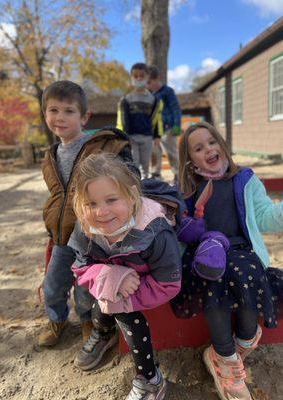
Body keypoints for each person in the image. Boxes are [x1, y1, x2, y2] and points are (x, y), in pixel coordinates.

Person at [171, 121, 283, 400]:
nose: (208, 149)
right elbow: (178, 231)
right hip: (205, 256)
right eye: (198, 148)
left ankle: (240, 343)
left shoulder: (244, 179)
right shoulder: (186, 188)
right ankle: (225, 359)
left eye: (212, 142)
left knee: (246, 272)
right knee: (215, 277)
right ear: (189, 159)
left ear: (222, 144)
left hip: (243, 253)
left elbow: (266, 217)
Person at [69, 153, 182, 400]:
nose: (101, 212)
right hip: (113, 278)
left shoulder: (154, 230)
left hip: (148, 283)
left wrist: (121, 297)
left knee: (121, 312)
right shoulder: (85, 228)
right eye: (90, 204)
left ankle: (150, 379)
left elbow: (169, 283)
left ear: (131, 196)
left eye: (111, 199)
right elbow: (80, 267)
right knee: (102, 304)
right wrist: (108, 276)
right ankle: (103, 331)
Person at [36, 80, 137, 352]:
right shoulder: (50, 155)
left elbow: (124, 175)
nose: (60, 117)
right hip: (61, 235)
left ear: (84, 117)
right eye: (53, 110)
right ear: (45, 114)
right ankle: (56, 320)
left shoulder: (98, 147)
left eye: (69, 111)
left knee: (85, 285)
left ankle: (86, 322)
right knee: (54, 283)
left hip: (89, 234)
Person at [117, 62, 163, 179]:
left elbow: (157, 119)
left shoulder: (154, 100)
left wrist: (157, 135)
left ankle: (145, 185)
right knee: (133, 162)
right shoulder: (126, 99)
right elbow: (122, 120)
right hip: (131, 137)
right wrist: (123, 136)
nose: (138, 78)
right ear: (131, 78)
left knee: (145, 163)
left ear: (147, 77)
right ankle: (134, 184)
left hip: (147, 136)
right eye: (135, 76)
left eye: (142, 76)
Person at [147, 65, 181, 183]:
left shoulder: (167, 91)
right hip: (155, 131)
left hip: (168, 128)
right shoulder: (151, 96)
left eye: (150, 82)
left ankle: (178, 174)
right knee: (154, 152)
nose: (148, 85)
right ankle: (156, 174)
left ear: (157, 78)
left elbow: (175, 108)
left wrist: (176, 124)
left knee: (170, 152)